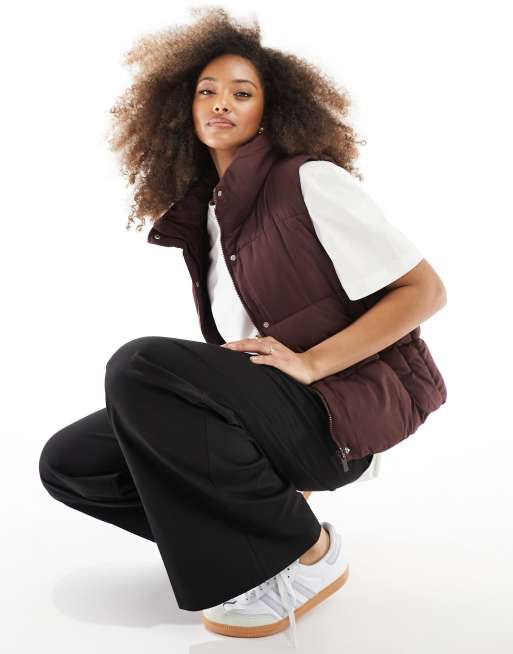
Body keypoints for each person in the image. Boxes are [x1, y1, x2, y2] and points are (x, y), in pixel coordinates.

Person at [38, 8, 447, 649]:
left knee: (139, 366)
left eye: (242, 92)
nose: (221, 103)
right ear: (182, 109)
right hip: (268, 413)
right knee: (72, 462)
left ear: (270, 109)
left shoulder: (307, 180)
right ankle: (261, 541)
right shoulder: (206, 217)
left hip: (336, 413)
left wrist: (311, 364)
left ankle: (307, 553)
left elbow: (425, 291)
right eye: (207, 91)